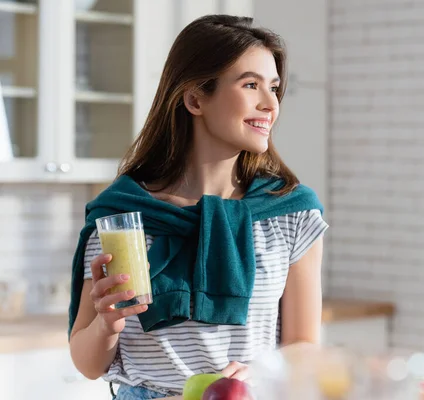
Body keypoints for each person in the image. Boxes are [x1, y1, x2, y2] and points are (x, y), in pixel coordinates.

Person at [68, 14, 328, 399]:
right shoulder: (123, 218)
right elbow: (89, 365)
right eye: (251, 84)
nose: (270, 103)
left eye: (274, 88)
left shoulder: (290, 213)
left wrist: (259, 372)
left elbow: (304, 346)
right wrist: (107, 324)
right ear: (194, 99)